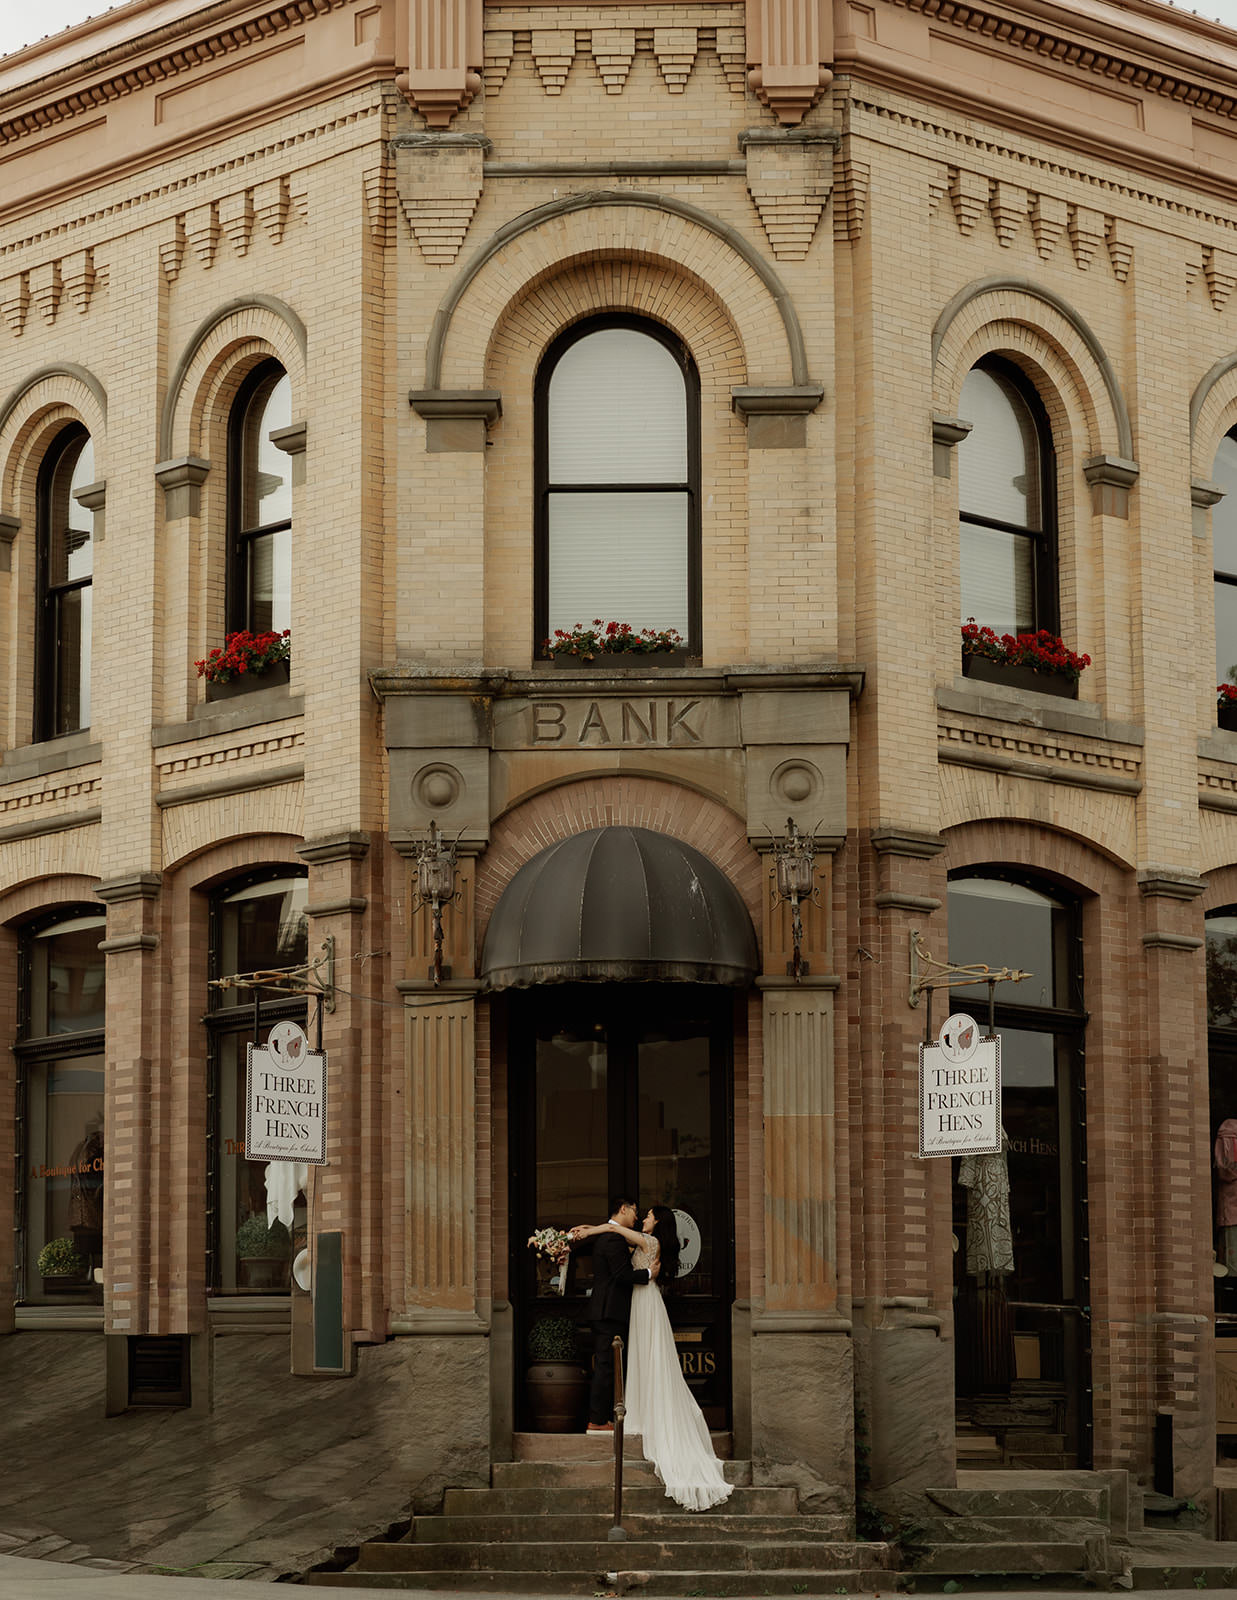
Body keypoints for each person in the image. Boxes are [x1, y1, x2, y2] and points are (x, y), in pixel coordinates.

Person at [570, 1205, 732, 1511]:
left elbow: (614, 1228)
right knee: (641, 1358)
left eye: (647, 1216)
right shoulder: (643, 1241)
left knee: (647, 1357)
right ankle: (640, 1410)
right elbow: (616, 1232)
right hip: (640, 1302)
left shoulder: (650, 1242)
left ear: (657, 1222)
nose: (643, 1218)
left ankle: (646, 1413)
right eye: (640, 1214)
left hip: (645, 1302)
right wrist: (589, 1229)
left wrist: (589, 1230)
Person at [572, 1196, 658, 1433]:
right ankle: (598, 1421)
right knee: (606, 1366)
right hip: (610, 1311)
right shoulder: (612, 1238)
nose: (637, 1217)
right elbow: (621, 1275)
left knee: (608, 1365)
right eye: (634, 1211)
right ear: (623, 1208)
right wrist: (648, 1273)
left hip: (606, 1310)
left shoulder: (610, 1235)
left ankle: (602, 1418)